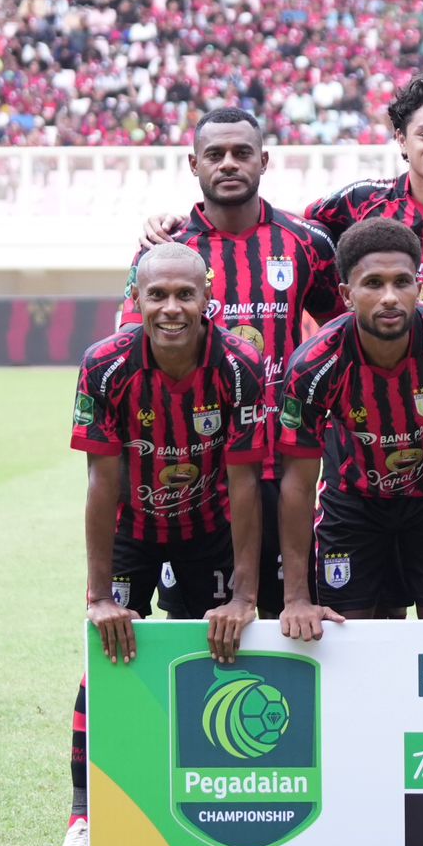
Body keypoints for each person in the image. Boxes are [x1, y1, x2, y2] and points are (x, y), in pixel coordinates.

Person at [57, 243, 267, 846]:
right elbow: (101, 482)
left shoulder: (241, 366)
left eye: (185, 295)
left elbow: (246, 482)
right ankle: (84, 815)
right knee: (109, 658)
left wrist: (245, 594)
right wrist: (98, 597)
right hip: (132, 528)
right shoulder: (105, 364)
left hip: (209, 528)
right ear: (137, 301)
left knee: (217, 652)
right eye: (157, 295)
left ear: (209, 300)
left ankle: (199, 796)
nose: (171, 308)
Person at [121, 107, 342, 618]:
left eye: (242, 153)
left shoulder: (306, 242)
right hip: (202, 473)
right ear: (193, 163)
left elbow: (343, 335)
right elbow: (135, 356)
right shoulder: (167, 252)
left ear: (263, 161)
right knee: (201, 625)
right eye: (215, 155)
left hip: (286, 463)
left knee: (288, 616)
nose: (228, 164)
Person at [147, 71, 423, 349]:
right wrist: (181, 224)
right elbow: (283, 233)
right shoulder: (359, 202)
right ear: (402, 139)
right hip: (371, 399)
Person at [274, 218, 423, 645]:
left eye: (402, 282)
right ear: (347, 295)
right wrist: (295, 596)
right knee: (348, 640)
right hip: (354, 503)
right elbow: (297, 480)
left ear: (418, 288)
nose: (389, 297)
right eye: (373, 284)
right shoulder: (313, 365)